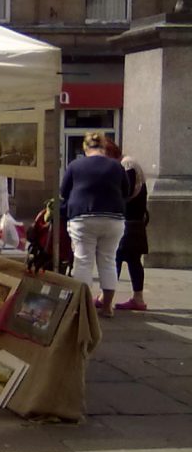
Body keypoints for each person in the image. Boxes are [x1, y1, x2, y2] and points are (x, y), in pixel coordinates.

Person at [60, 132, 129, 317]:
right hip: (113, 218)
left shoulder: (75, 165)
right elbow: (126, 191)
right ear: (104, 147)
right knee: (108, 261)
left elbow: (64, 191)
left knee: (82, 261)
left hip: (83, 217)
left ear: (85, 147)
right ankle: (107, 307)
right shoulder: (116, 166)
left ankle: (82, 307)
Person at [115, 148, 150, 311]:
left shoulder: (127, 165)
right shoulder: (130, 164)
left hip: (128, 222)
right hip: (134, 221)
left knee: (115, 258)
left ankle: (104, 297)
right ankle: (138, 298)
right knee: (132, 260)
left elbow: (125, 192)